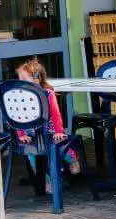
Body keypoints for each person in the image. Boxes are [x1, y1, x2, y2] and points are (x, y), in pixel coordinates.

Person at [15, 58, 81, 190]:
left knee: (60, 144)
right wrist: (21, 134)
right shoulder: (18, 95)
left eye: (24, 78)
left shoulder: (48, 93)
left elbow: (56, 114)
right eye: (19, 78)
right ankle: (46, 181)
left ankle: (72, 159)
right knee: (30, 153)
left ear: (37, 78)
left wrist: (59, 131)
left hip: (49, 130)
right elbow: (16, 117)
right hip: (30, 133)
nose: (20, 81)